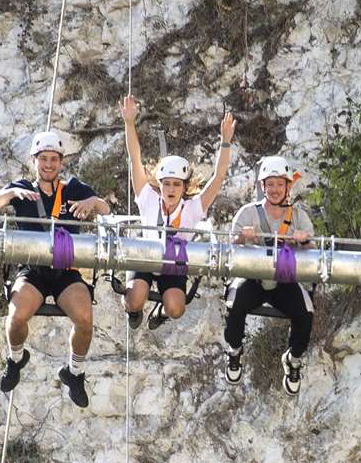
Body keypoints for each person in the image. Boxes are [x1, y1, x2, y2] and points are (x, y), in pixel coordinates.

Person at [0, 130, 111, 408]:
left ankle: (74, 372)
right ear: (35, 161)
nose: (49, 164)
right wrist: (10, 193)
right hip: (34, 269)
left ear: (61, 162)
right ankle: (16, 359)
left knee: (85, 319)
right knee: (16, 317)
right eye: (44, 159)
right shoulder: (23, 189)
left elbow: (106, 209)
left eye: (54, 159)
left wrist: (92, 202)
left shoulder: (74, 189)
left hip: (65, 270)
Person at [120, 96, 236, 330]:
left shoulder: (193, 208)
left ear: (185, 187)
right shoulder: (148, 198)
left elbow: (218, 177)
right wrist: (129, 123)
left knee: (176, 308)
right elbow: (135, 157)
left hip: (173, 265)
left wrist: (225, 143)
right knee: (135, 298)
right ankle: (133, 310)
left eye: (176, 184)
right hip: (146, 256)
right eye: (167, 184)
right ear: (159, 185)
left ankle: (160, 311)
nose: (171, 189)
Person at [225, 155, 314, 395]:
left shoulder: (298, 217)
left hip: (284, 280)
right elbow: (231, 246)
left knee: (305, 314)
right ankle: (234, 350)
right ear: (262, 187)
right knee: (234, 304)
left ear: (287, 187)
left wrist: (303, 241)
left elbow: (312, 250)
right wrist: (242, 238)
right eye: (270, 184)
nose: (275, 189)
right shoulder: (248, 214)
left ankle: (293, 359)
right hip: (253, 277)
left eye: (279, 184)